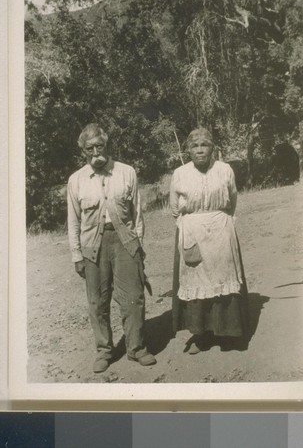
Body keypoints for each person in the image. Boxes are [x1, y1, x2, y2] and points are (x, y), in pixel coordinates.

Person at [67, 123, 156, 373]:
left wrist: (139, 245)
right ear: (83, 151)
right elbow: (73, 222)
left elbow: (138, 214)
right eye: (90, 148)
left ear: (107, 145)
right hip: (92, 246)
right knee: (97, 301)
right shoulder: (76, 180)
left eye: (100, 146)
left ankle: (137, 348)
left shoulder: (127, 172)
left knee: (134, 298)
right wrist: (77, 255)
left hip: (125, 241)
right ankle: (104, 350)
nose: (96, 152)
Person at [170, 128, 249, 354]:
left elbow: (232, 199)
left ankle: (226, 335)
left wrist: (219, 220)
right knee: (197, 283)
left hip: (221, 231)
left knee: (223, 280)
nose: (200, 150)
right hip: (192, 231)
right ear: (188, 150)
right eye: (194, 146)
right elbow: (175, 209)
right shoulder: (180, 174)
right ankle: (200, 335)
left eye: (204, 145)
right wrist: (191, 225)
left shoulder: (224, 170)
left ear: (212, 148)